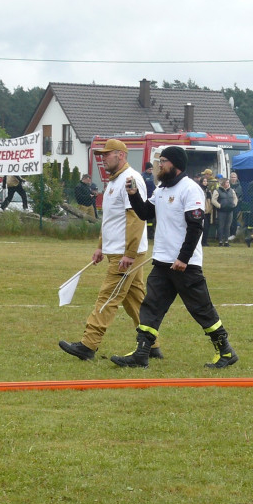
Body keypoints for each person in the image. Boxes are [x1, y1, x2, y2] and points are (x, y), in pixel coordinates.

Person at [110, 145, 238, 369]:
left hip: (184, 265)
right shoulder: (161, 190)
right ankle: (141, 354)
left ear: (175, 165)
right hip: (161, 262)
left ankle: (225, 351)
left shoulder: (190, 189)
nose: (159, 165)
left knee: (201, 309)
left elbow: (196, 227)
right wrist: (134, 195)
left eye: (163, 161)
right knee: (151, 307)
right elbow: (145, 213)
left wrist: (183, 258)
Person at [58, 139, 159, 362]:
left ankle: (88, 344)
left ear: (121, 155)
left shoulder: (130, 180)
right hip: (118, 251)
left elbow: (136, 219)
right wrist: (100, 247)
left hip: (126, 254)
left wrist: (129, 254)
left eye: (107, 154)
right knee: (135, 301)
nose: (103, 159)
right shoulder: (114, 181)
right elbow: (111, 219)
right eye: (102, 155)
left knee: (108, 296)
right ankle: (152, 345)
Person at [213, 175, 238, 246]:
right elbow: (213, 200)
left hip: (230, 211)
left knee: (228, 226)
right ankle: (220, 241)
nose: (228, 183)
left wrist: (234, 204)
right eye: (227, 182)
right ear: (223, 183)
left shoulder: (232, 191)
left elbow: (235, 198)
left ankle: (226, 241)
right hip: (221, 211)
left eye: (228, 182)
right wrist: (219, 206)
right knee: (221, 226)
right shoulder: (217, 191)